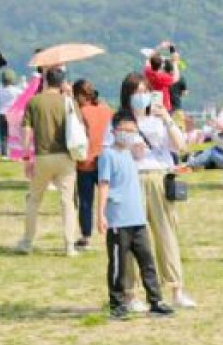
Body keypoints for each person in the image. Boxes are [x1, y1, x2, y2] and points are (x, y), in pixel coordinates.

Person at [118, 73, 196, 309]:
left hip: (158, 176)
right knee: (130, 238)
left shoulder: (159, 120)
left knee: (166, 233)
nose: (141, 97)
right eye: (136, 93)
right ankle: (130, 293)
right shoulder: (120, 121)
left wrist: (166, 118)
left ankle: (175, 288)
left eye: (144, 92)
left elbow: (181, 145)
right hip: (131, 177)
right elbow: (111, 151)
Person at [97, 112, 176, 321]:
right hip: (118, 219)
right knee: (118, 265)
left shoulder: (130, 155)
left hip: (137, 219)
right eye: (125, 130)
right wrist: (101, 214)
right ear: (114, 131)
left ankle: (156, 300)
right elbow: (104, 185)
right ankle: (117, 303)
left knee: (147, 261)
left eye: (133, 131)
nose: (129, 135)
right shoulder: (108, 155)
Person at [16, 67, 82, 256]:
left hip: (43, 156)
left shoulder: (34, 102)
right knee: (67, 201)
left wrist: (27, 157)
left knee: (33, 200)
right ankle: (69, 245)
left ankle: (27, 241)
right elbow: (78, 127)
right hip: (66, 157)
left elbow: (26, 131)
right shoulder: (69, 102)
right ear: (62, 83)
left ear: (44, 81)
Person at [73, 80, 114, 250]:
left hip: (85, 162)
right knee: (110, 197)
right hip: (104, 159)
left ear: (81, 96)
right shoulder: (107, 110)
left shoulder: (80, 113)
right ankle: (114, 226)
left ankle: (86, 236)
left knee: (85, 201)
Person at [143, 42, 181, 111]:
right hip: (163, 106)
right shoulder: (164, 77)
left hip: (150, 104)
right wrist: (175, 63)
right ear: (161, 66)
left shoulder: (148, 72)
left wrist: (160, 47)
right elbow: (176, 78)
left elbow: (149, 58)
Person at [0, 69, 25, 157]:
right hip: (12, 115)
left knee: (3, 136)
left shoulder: (0, 89)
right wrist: (23, 83)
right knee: (15, 135)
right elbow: (24, 93)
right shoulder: (15, 90)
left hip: (2, 114)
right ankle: (15, 153)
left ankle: (4, 155)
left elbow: (6, 85)